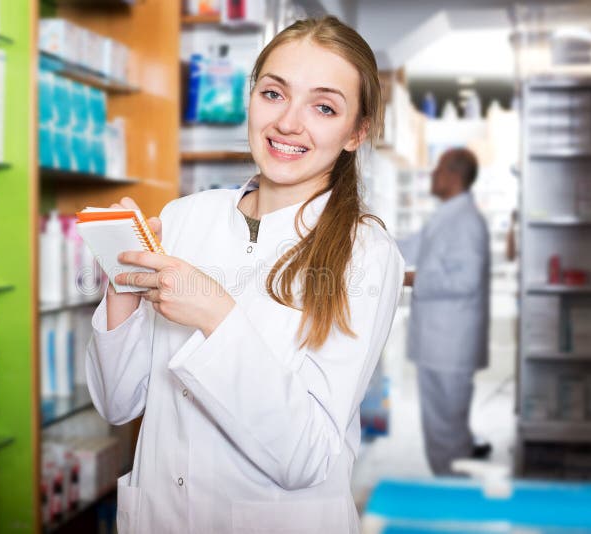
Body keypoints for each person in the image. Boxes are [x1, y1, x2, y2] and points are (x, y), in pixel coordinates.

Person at [84, 16, 404, 533]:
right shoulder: (186, 216)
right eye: (274, 94)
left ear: (356, 132)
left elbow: (306, 458)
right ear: (251, 98)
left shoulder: (366, 252)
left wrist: (218, 317)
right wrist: (123, 283)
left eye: (323, 107)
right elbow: (118, 404)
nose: (288, 123)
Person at [398, 148, 491, 476]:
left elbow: (465, 281)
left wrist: (410, 279)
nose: (432, 176)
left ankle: (454, 495)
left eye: (437, 169)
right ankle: (451, 488)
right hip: (440, 345)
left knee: (446, 435)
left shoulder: (466, 221)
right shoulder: (447, 216)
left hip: (449, 346)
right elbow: (407, 248)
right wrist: (360, 239)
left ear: (453, 175)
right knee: (443, 431)